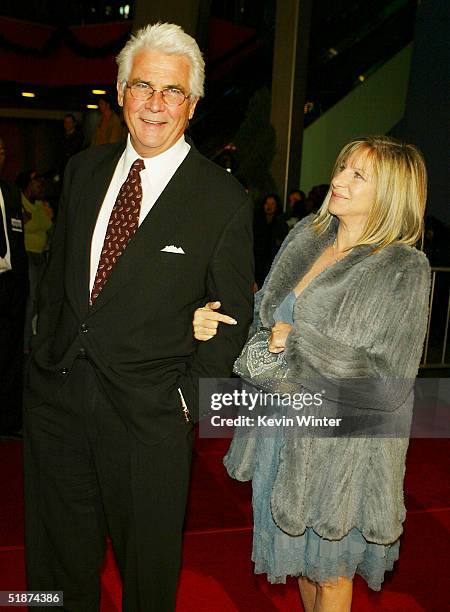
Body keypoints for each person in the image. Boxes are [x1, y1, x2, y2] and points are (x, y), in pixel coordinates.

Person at [23, 22, 253, 611]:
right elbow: (55, 280)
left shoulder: (221, 200)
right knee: (56, 562)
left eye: (172, 91)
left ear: (193, 105)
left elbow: (231, 318)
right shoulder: (84, 171)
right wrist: (38, 353)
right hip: (58, 402)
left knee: (146, 577)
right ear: (121, 93)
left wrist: (186, 400)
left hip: (149, 417)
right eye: (143, 85)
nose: (156, 103)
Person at [192, 136, 430, 611]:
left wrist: (301, 345)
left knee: (331, 578)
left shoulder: (404, 267)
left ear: (391, 194)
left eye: (357, 175)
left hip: (345, 452)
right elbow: (265, 322)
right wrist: (208, 321)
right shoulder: (307, 237)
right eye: (342, 166)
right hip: (282, 430)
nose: (337, 180)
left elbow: (390, 383)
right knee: (299, 565)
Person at [0, 158, 28, 436]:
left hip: (10, 283)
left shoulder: (9, 192)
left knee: (10, 353)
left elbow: (16, 236)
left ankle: (8, 420)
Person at [16, 170, 53, 351]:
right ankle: (25, 343)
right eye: (38, 182)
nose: (41, 186)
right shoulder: (18, 201)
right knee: (30, 301)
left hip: (41, 256)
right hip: (27, 255)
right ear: (29, 184)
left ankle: (38, 340)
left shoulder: (40, 206)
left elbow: (49, 227)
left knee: (41, 299)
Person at [253, 193, 288, 288]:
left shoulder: (280, 222)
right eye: (267, 204)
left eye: (272, 204)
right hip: (257, 262)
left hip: (273, 262)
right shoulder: (257, 221)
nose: (269, 207)